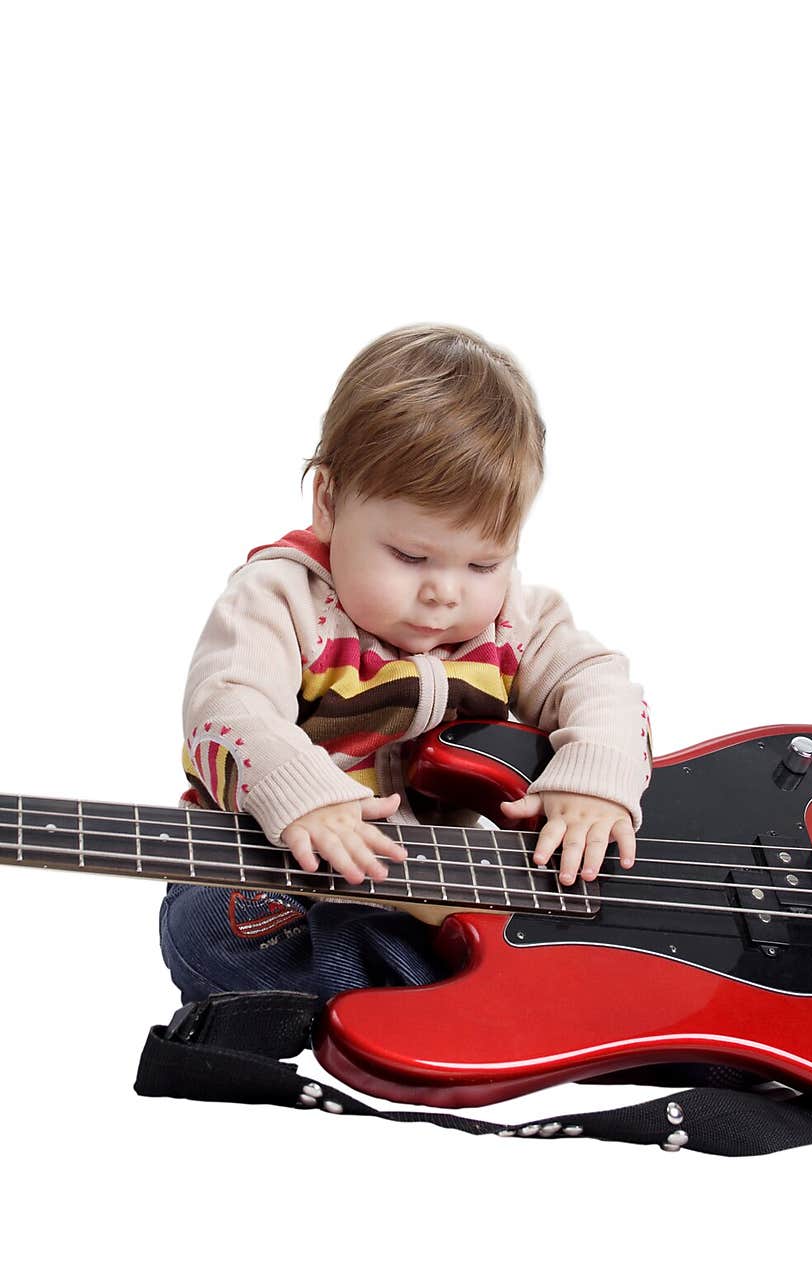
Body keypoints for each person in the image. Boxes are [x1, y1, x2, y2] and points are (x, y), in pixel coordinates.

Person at [159, 324, 652, 1006]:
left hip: (427, 894)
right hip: (266, 870)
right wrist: (304, 795)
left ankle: (414, 992)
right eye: (411, 557)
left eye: (483, 563)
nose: (445, 592)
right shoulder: (281, 599)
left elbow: (600, 680)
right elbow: (225, 701)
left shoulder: (513, 619)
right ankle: (410, 993)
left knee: (575, 937)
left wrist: (596, 779)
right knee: (213, 931)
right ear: (328, 503)